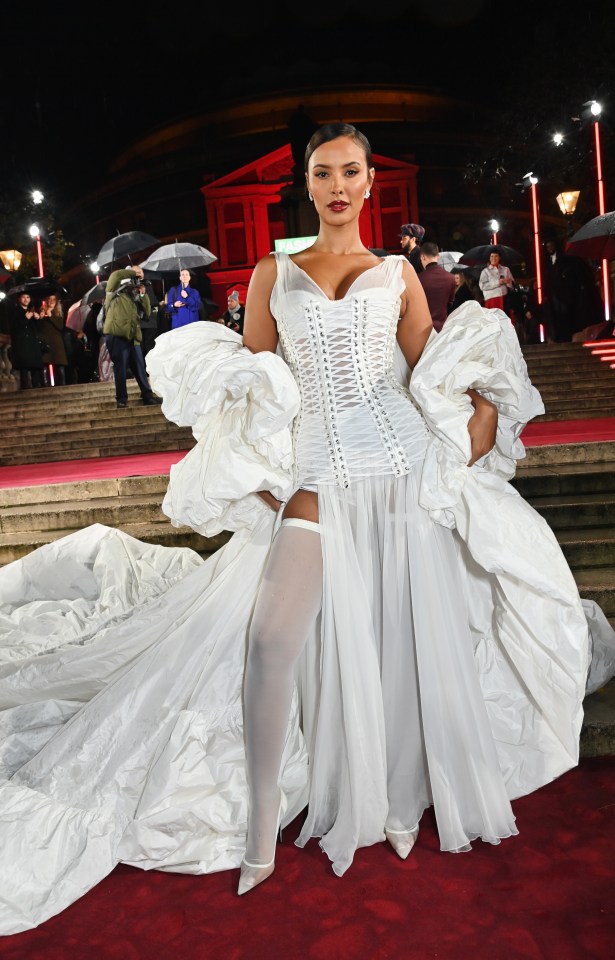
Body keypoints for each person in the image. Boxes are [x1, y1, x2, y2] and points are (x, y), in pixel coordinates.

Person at [1, 123, 614, 935]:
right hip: (316, 469)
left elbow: (429, 377)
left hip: (397, 464)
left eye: (350, 171)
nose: (337, 184)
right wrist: (252, 471)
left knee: (396, 635)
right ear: (307, 183)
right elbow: (255, 384)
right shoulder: (270, 273)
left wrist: (484, 402)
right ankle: (258, 827)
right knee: (270, 641)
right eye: (322, 172)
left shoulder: (396, 272)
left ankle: (396, 802)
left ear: (367, 184)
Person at [102, 264, 162, 408]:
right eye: (134, 275)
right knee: (121, 368)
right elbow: (115, 275)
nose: (137, 276)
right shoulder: (113, 291)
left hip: (133, 336)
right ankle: (121, 399)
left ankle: (147, 396)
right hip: (117, 335)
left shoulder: (135, 296)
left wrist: (143, 294)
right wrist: (133, 272)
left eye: (140, 273)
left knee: (140, 368)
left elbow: (147, 313)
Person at [5, 291, 45, 389]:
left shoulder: (32, 311)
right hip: (22, 343)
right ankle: (25, 387)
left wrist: (37, 319)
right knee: (24, 366)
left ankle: (36, 386)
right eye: (23, 297)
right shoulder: (14, 311)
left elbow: (39, 329)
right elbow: (14, 327)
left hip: (32, 343)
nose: (26, 299)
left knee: (35, 365)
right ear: (19, 299)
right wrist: (25, 318)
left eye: (28, 297)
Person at [417, 241, 456, 331]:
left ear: (422, 257)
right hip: (443, 328)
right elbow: (450, 303)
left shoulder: (418, 278)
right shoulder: (450, 277)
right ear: (438, 256)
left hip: (423, 329)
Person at [38, 293, 69, 385]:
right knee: (45, 365)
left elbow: (60, 327)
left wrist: (51, 315)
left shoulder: (58, 313)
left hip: (56, 344)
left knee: (60, 366)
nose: (51, 301)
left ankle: (62, 386)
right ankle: (45, 386)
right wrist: (40, 318)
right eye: (49, 299)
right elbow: (39, 328)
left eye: (53, 299)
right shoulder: (41, 311)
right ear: (46, 301)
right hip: (46, 342)